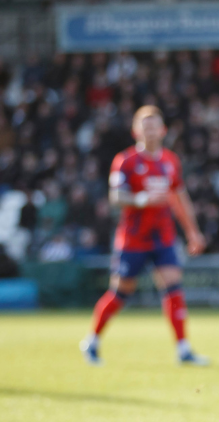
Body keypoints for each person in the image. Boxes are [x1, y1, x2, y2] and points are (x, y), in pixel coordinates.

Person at [80, 106, 208, 366]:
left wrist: (193, 232)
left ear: (163, 130)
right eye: (145, 126)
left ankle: (183, 349)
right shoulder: (125, 161)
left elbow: (180, 199)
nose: (150, 130)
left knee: (174, 287)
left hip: (163, 236)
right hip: (133, 238)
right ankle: (92, 341)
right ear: (136, 131)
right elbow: (116, 196)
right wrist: (142, 199)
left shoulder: (171, 161)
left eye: (154, 125)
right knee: (120, 293)